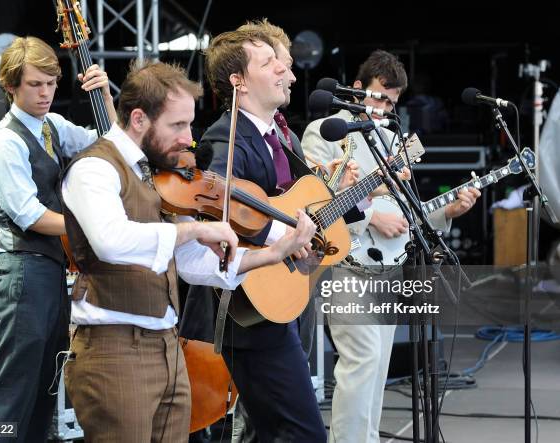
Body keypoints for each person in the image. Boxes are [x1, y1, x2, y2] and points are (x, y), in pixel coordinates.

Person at [61, 60, 317, 443]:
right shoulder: (94, 170)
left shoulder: (157, 174)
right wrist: (196, 228)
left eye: (188, 125)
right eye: (177, 126)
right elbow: (111, 240)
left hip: (167, 344)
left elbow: (194, 263)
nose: (188, 138)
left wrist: (275, 252)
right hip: (114, 349)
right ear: (138, 119)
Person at [180, 25, 369, 441]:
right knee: (303, 433)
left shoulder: (280, 137)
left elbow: (301, 210)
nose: (287, 71)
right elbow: (223, 222)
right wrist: (283, 239)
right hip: (245, 312)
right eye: (269, 63)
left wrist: (346, 202)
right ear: (238, 82)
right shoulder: (221, 141)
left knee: (270, 432)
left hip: (279, 305)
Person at [301, 49, 481, 443]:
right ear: (359, 88)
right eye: (380, 97)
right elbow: (314, 199)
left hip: (389, 265)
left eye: (392, 102)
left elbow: (406, 206)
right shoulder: (326, 129)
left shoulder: (395, 138)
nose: (384, 107)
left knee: (378, 365)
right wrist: (371, 215)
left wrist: (447, 209)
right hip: (345, 261)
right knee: (361, 361)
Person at [0, 36, 115, 443]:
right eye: (36, 84)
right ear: (12, 86)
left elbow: (105, 142)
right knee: (11, 393)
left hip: (49, 270)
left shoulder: (51, 126)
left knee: (43, 391)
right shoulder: (5, 143)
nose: (46, 93)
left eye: (51, 83)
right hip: (21, 272)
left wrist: (105, 96)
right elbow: (29, 215)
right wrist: (91, 225)